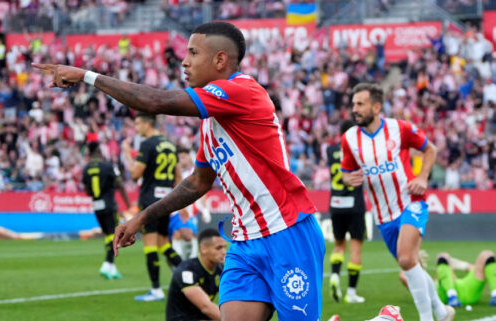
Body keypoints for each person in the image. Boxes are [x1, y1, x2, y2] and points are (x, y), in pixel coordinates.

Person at [34, 21, 325, 320]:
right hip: (245, 242)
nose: (184, 61)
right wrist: (141, 218)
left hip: (287, 233)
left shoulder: (243, 91)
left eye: (193, 52)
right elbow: (197, 183)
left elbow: (155, 101)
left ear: (220, 60)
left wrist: (86, 75)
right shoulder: (212, 124)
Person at [341, 83, 454, 321]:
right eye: (353, 104)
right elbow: (346, 174)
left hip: (411, 202)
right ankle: (442, 312)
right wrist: (348, 179)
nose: (355, 109)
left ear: (376, 106)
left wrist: (422, 177)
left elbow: (430, 149)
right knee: (410, 264)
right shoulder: (349, 139)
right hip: (383, 215)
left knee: (405, 258)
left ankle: (427, 319)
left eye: (360, 104)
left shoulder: (398, 128)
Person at [123, 112, 183, 302]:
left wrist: (126, 154)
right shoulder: (169, 144)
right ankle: (192, 277)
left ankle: (156, 290)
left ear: (148, 124)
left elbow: (135, 174)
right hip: (166, 200)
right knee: (164, 244)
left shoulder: (148, 144)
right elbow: (178, 175)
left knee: (150, 246)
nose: (136, 128)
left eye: (138, 124)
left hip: (150, 200)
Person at [326, 119, 366, 304]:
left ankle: (334, 276)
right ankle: (351, 293)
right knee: (356, 248)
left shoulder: (330, 150)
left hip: (335, 203)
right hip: (354, 203)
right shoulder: (359, 150)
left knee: (339, 245)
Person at [81, 141, 130, 279]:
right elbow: (120, 184)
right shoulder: (108, 166)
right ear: (99, 151)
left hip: (96, 206)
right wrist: (128, 205)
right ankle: (107, 264)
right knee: (113, 235)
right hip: (109, 204)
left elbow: (88, 191)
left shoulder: (86, 169)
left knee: (108, 235)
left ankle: (112, 268)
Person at [399, 250, 496, 308]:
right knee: (442, 256)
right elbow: (402, 276)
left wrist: (460, 264)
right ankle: (452, 296)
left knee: (487, 255)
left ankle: (495, 294)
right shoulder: (425, 285)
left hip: (465, 289)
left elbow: (474, 268)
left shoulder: (443, 277)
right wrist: (412, 262)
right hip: (444, 295)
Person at [166, 228, 226, 321]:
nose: (223, 252)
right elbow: (206, 307)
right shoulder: (187, 271)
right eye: (218, 248)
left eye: (224, 247)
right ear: (203, 249)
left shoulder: (220, 269)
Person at [168, 147, 212, 260]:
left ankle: (188, 261)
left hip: (191, 211)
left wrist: (205, 209)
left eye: (184, 156)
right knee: (179, 235)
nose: (182, 159)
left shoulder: (195, 172)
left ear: (189, 157)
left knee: (188, 235)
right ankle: (181, 263)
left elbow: (203, 191)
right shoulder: (172, 172)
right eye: (180, 157)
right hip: (175, 210)